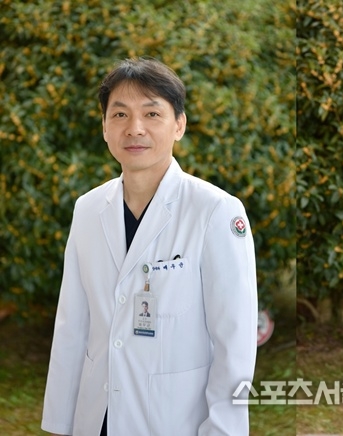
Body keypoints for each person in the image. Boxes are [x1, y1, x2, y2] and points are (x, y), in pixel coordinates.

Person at [41, 57, 258, 436]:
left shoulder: (215, 211)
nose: (135, 128)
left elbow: (235, 342)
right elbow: (72, 327)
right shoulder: (88, 209)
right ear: (104, 127)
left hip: (174, 421)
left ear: (179, 125)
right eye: (120, 115)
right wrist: (60, 425)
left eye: (152, 113)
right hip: (97, 419)